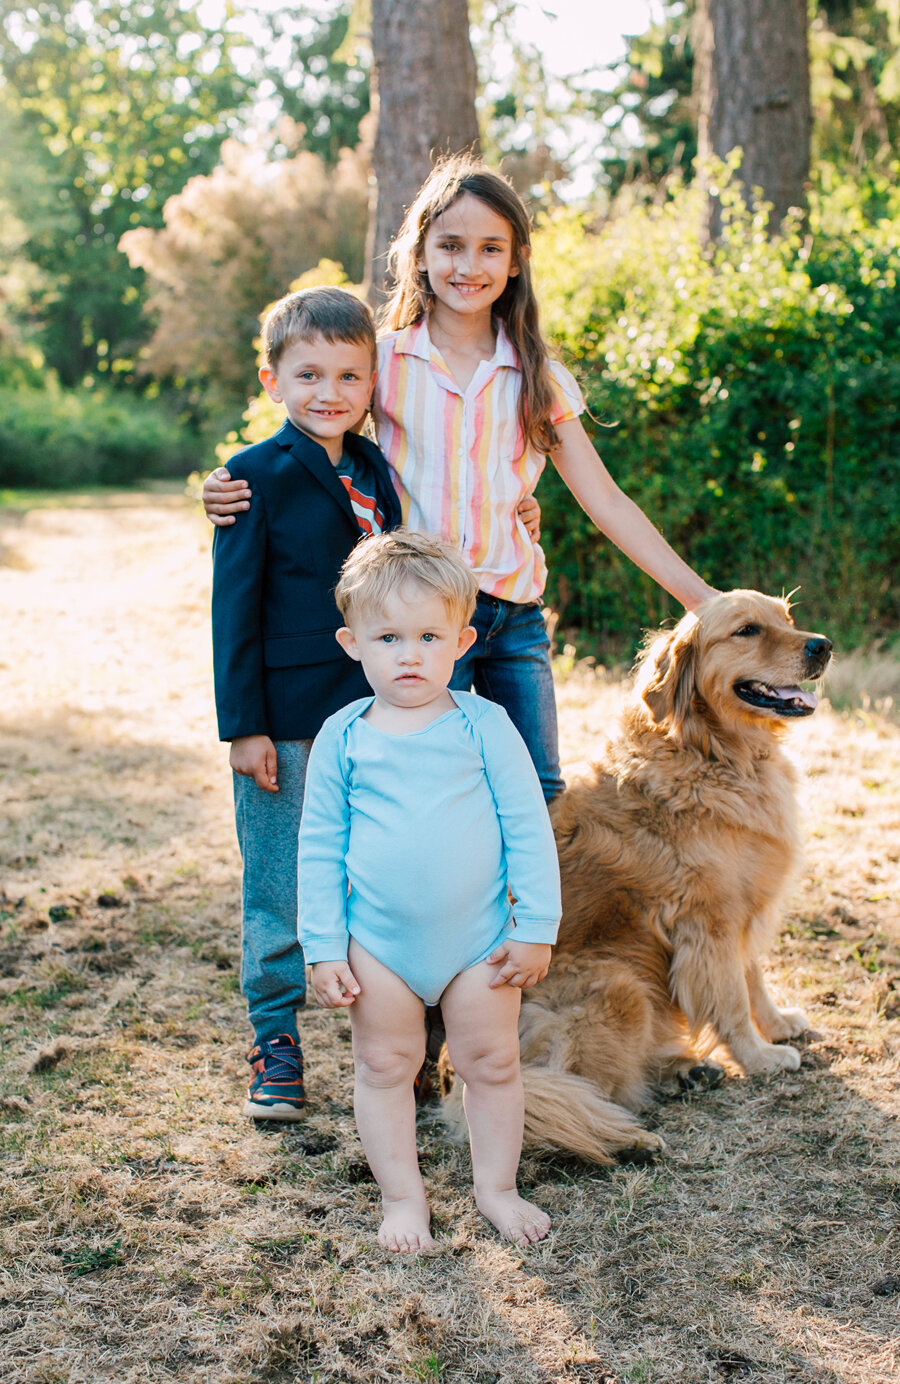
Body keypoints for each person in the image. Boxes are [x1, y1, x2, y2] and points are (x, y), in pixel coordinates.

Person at [203, 153, 717, 802]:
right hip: (418, 618)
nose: (468, 267)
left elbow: (607, 500)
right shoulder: (382, 363)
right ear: (419, 254)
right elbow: (312, 444)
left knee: (536, 788)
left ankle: (535, 909)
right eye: (449, 246)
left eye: (489, 248)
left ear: (515, 260)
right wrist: (225, 484)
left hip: (514, 618)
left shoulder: (539, 377)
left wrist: (699, 596)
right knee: (430, 790)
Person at [298, 530, 561, 1252]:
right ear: (353, 643)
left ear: (462, 640)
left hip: (479, 941)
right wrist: (323, 948)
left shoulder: (485, 725)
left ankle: (498, 1191)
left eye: (427, 636)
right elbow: (318, 849)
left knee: (492, 1063)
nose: (408, 654)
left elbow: (527, 828)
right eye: (388, 637)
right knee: (384, 1066)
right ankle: (402, 1200)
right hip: (377, 946)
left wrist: (535, 925)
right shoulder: (343, 736)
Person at [211, 285, 402, 1120]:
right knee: (279, 877)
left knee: (372, 868)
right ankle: (275, 1039)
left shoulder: (376, 471)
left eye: (349, 376)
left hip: (373, 712)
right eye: (309, 374)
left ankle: (395, 1027)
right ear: (272, 380)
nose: (330, 393)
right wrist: (244, 726)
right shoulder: (251, 477)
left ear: (373, 383)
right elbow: (235, 607)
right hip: (284, 719)